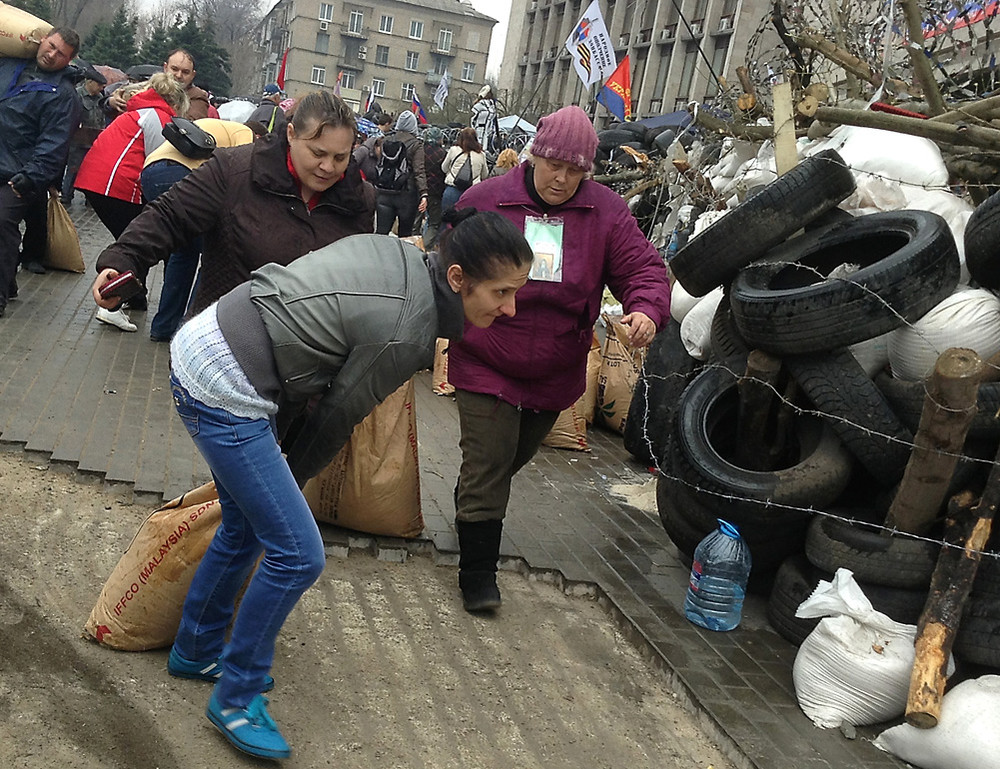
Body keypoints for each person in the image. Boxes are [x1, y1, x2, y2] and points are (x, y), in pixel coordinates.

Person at [91, 211, 533, 760]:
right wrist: (287, 483)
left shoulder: (399, 252)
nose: (510, 307)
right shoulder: (408, 327)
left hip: (209, 340)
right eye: (503, 292)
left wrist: (274, 489)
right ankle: (235, 697)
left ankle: (197, 647)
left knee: (247, 525)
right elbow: (336, 419)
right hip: (225, 384)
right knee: (299, 554)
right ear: (459, 278)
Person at [447, 105, 672, 613]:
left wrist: (646, 310)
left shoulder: (606, 212)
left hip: (556, 368)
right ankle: (477, 574)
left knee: (503, 464)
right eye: (554, 166)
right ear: (535, 155)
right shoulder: (485, 200)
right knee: (489, 466)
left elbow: (643, 269)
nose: (562, 179)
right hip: (486, 356)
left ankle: (471, 498)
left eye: (576, 171)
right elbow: (448, 264)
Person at [93, 91, 376, 319]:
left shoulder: (359, 199)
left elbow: (358, 278)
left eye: (341, 158)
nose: (328, 167)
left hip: (305, 367)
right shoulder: (234, 171)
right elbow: (169, 216)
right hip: (223, 347)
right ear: (291, 134)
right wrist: (123, 259)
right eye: (317, 153)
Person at [76, 72, 189, 329]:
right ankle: (111, 304)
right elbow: (160, 163)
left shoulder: (141, 110)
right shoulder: (159, 117)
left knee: (133, 239)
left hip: (97, 180)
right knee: (136, 243)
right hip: (117, 184)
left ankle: (135, 297)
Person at [140, 118, 256, 342]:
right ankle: (190, 331)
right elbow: (238, 177)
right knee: (217, 253)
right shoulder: (246, 135)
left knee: (184, 253)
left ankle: (163, 327)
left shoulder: (221, 126)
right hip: (181, 175)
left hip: (151, 172)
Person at [0, 27, 81, 318]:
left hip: (18, 174)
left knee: (1, 223)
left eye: (61, 53)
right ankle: (7, 283)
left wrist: (31, 177)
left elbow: (54, 143)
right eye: (51, 46)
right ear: (41, 41)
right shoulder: (9, 65)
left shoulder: (64, 95)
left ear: (70, 60)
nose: (52, 54)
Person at [106, 49, 215, 120]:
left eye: (185, 72)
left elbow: (188, 124)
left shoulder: (198, 97)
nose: (178, 75)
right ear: (165, 67)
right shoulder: (151, 86)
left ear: (193, 75)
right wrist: (112, 102)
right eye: (174, 69)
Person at [373, 110, 427, 237]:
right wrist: (423, 193)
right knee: (405, 235)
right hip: (406, 194)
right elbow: (419, 170)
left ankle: (377, 256)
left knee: (381, 233)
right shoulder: (416, 144)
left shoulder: (386, 140)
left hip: (384, 192)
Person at [61, 64, 107, 204]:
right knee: (73, 168)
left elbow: (102, 117)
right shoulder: (77, 95)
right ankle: (66, 195)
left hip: (94, 139)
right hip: (78, 139)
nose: (101, 88)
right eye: (99, 85)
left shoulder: (100, 98)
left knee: (92, 170)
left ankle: (89, 198)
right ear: (90, 82)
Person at [441, 127, 488, 214]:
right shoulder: (481, 155)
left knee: (447, 220)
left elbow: (444, 168)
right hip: (472, 192)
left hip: (452, 189)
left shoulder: (453, 150)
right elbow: (484, 175)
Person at [422, 126, 447, 248]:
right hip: (435, 191)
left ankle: (412, 245)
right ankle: (423, 247)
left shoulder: (420, 150)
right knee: (434, 223)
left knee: (415, 221)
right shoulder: (443, 154)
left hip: (419, 188)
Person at [470, 84, 499, 156]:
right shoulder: (480, 105)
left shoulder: (491, 105)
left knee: (484, 146)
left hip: (487, 130)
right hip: (479, 129)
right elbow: (472, 117)